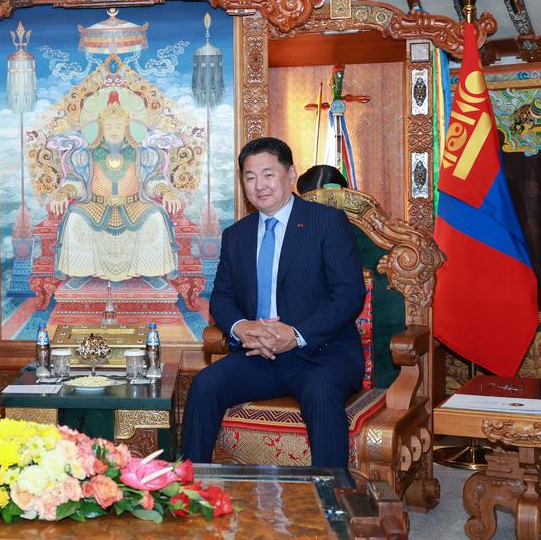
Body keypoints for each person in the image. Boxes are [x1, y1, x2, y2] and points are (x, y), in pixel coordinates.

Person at [182, 137, 366, 469]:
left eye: (268, 174)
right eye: (250, 177)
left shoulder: (326, 222)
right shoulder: (236, 235)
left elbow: (349, 294)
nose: (259, 185)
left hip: (322, 355)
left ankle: (330, 495)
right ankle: (189, 487)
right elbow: (222, 297)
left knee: (321, 393)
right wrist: (242, 328)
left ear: (290, 174)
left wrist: (295, 335)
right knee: (205, 384)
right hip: (260, 355)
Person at [51, 89, 179, 288]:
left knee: (155, 217)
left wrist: (166, 191)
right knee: (75, 217)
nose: (114, 130)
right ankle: (80, 273)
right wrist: (63, 193)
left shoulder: (141, 154)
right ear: (101, 128)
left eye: (118, 126)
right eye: (109, 126)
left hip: (134, 205)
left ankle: (151, 272)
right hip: (95, 205)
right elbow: (76, 182)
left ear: (126, 127)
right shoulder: (86, 154)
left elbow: (152, 181)